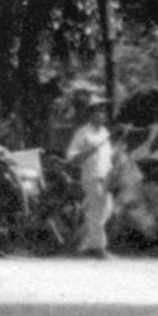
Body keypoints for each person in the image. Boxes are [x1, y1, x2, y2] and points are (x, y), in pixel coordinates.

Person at [65, 94, 115, 258]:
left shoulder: (105, 133)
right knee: (97, 211)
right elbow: (71, 156)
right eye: (99, 111)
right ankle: (98, 248)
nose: (102, 115)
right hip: (92, 176)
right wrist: (86, 153)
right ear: (91, 114)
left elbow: (108, 156)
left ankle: (85, 243)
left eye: (103, 111)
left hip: (106, 177)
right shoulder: (83, 132)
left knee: (105, 210)